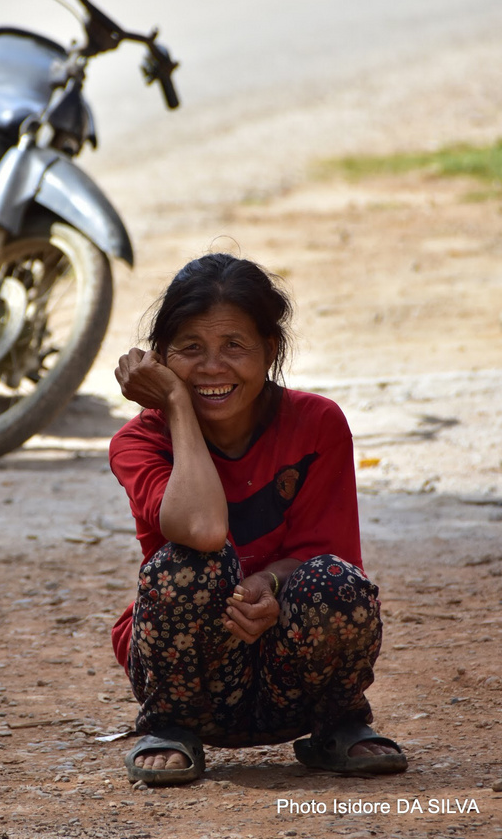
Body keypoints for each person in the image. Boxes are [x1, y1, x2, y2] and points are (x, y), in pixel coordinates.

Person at [109, 252, 407, 786]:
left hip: (290, 673)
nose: (212, 368)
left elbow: (328, 551)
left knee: (336, 583)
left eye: (234, 347)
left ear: (270, 350)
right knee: (185, 565)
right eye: (191, 350)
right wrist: (177, 406)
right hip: (188, 676)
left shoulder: (316, 423)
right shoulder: (140, 441)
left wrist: (269, 582)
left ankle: (336, 724)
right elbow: (201, 530)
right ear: (161, 359)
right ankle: (168, 728)